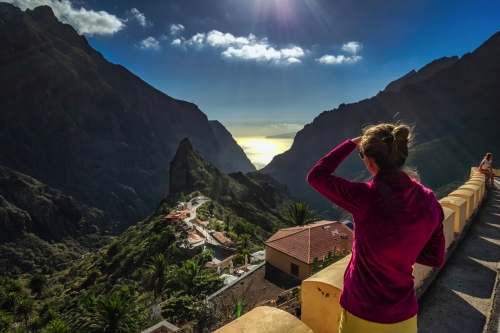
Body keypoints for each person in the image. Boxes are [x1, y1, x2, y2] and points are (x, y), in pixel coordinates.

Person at [306, 123, 445, 333]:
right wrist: (401, 251)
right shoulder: (430, 200)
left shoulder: (367, 196)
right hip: (404, 317)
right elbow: (435, 258)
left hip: (362, 312)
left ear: (370, 161)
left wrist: (351, 144)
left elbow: (316, 176)